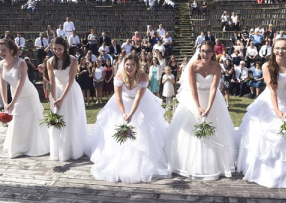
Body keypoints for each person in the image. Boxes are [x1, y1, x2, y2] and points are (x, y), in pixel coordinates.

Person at [237, 38, 286, 188]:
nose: (280, 51)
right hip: (268, 101)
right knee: (262, 135)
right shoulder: (267, 66)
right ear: (273, 49)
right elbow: (272, 88)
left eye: (284, 48)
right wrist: (277, 110)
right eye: (277, 48)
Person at [86, 53, 171, 183]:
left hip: (140, 104)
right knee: (116, 133)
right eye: (127, 65)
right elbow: (118, 97)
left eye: (132, 65)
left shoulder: (143, 76)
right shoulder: (119, 75)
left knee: (142, 134)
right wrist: (123, 113)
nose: (129, 67)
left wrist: (131, 114)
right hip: (121, 104)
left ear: (137, 65)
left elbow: (138, 97)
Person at [164, 40, 236, 180]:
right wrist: (197, 106)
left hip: (211, 98)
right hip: (194, 98)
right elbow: (193, 88)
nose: (205, 54)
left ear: (213, 53)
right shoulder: (193, 66)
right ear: (199, 51)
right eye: (203, 51)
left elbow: (214, 88)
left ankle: (214, 165)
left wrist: (209, 107)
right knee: (191, 131)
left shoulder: (217, 67)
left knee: (215, 129)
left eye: (208, 51)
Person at [0, 39, 49, 158]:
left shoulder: (21, 63)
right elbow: (3, 84)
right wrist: (5, 102)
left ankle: (35, 146)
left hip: (27, 94)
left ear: (11, 50)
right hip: (14, 92)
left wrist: (13, 102)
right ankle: (18, 148)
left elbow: (21, 83)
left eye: (3, 50)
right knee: (17, 119)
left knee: (32, 119)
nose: (1, 52)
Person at [47, 37, 88, 162]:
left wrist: (62, 98)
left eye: (60, 49)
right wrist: (54, 99)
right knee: (58, 119)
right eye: (54, 49)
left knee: (71, 118)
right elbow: (52, 81)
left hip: (70, 92)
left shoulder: (73, 60)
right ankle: (59, 149)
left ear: (65, 48)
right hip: (57, 91)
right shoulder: (49, 61)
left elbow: (70, 81)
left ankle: (73, 149)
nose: (57, 51)